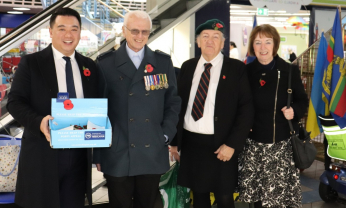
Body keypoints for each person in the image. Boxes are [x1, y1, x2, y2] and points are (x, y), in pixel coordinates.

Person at [7, 8, 98, 208]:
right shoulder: (32, 63)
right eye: (62, 28)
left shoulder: (90, 67)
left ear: (80, 33)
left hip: (78, 158)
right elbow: (14, 101)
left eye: (74, 29)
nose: (68, 35)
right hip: (42, 155)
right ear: (50, 31)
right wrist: (39, 122)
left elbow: (98, 108)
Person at [93, 11, 181, 208]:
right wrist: (98, 154)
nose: (139, 36)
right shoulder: (106, 64)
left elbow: (173, 102)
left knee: (148, 203)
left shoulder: (162, 63)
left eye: (145, 32)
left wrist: (165, 134)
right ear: (124, 30)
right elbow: (99, 110)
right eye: (134, 31)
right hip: (117, 152)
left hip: (152, 149)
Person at [170, 19, 254, 208]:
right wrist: (175, 142)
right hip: (192, 144)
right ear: (198, 42)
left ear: (223, 43)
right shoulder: (187, 67)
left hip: (221, 146)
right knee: (198, 196)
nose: (210, 41)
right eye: (205, 36)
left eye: (216, 37)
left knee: (224, 198)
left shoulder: (236, 69)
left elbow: (246, 109)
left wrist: (232, 144)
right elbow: (178, 106)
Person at [238, 24, 308, 208]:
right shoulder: (245, 72)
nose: (263, 47)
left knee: (278, 200)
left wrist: (294, 111)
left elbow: (302, 101)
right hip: (253, 146)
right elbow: (238, 103)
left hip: (280, 146)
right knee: (258, 201)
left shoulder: (289, 71)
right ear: (253, 46)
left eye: (267, 42)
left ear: (275, 45)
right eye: (258, 42)